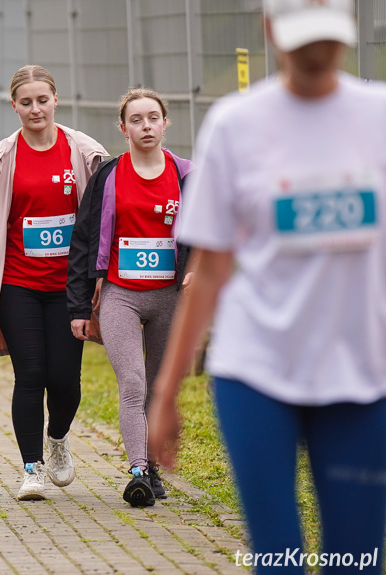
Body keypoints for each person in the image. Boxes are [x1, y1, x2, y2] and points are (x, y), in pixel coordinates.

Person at [147, 0, 386, 571]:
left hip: (362, 374)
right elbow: (207, 273)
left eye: (327, 37)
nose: (316, 51)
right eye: (302, 36)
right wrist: (167, 393)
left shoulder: (377, 116)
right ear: (271, 30)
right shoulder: (237, 124)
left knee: (357, 558)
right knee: (277, 556)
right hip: (256, 373)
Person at [0, 65, 108, 501]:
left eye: (42, 99)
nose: (35, 108)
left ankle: (57, 439)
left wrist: (100, 277)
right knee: (31, 375)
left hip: (69, 287)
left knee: (65, 381)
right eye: (26, 102)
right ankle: (31, 468)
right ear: (14, 106)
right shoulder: (1, 157)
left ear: (55, 100)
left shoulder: (84, 151)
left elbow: (103, 219)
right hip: (17, 284)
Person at [67, 88, 194, 507]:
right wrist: (80, 306)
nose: (146, 126)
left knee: (159, 385)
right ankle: (138, 469)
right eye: (136, 120)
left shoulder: (185, 174)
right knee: (133, 383)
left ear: (165, 123)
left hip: (168, 297)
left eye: (153, 118)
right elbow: (83, 240)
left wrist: (193, 269)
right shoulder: (108, 175)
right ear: (123, 129)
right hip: (120, 294)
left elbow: (204, 233)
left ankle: (153, 468)